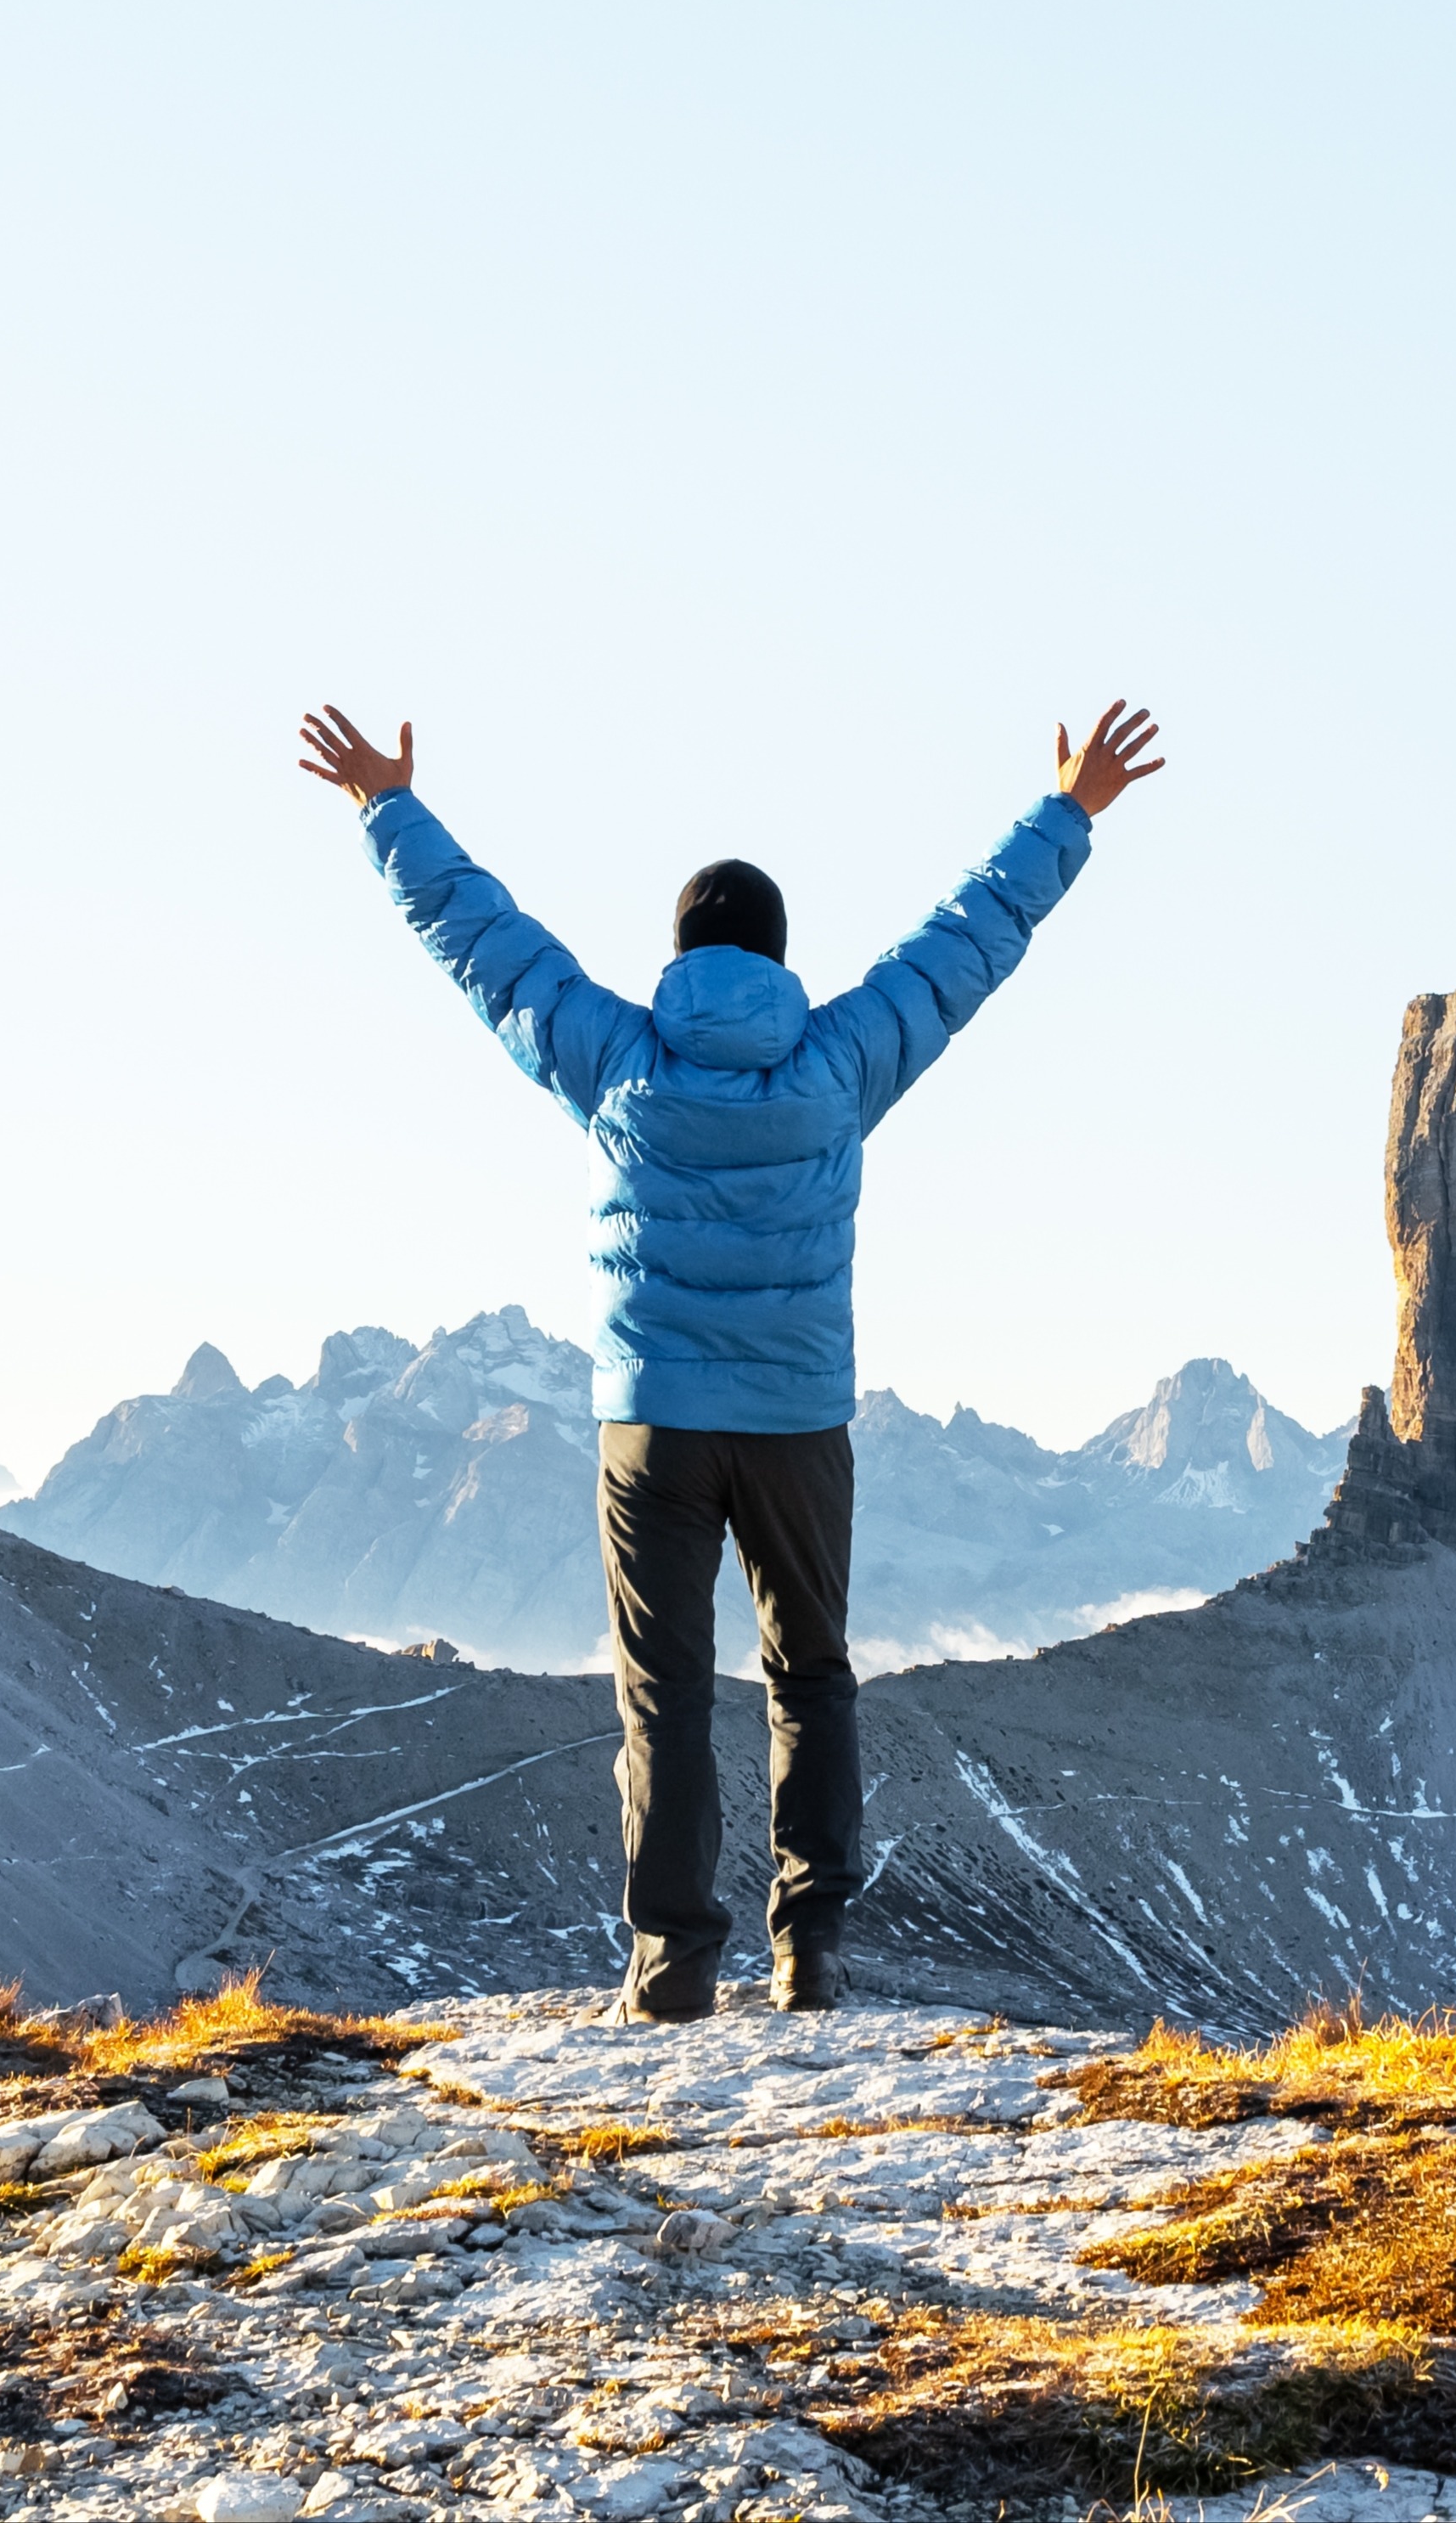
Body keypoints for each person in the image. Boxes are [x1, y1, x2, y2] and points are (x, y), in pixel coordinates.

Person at [291, 699, 1166, 2020]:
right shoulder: (838, 1062)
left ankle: (673, 1964)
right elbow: (964, 946)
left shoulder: (621, 1062)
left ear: (683, 955)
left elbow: (487, 947)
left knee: (666, 1691)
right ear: (778, 956)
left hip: (652, 1423)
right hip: (801, 1420)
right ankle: (810, 1951)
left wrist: (386, 808)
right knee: (808, 1672)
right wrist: (1068, 811)